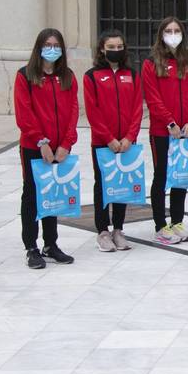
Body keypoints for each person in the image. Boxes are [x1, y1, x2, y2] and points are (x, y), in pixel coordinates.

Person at [14, 28, 79, 269]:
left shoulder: (68, 77)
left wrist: (66, 143)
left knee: (53, 195)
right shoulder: (25, 76)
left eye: (56, 45)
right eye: (47, 45)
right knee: (32, 195)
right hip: (34, 147)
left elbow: (73, 111)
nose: (52, 49)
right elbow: (24, 112)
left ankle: (50, 244)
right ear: (39, 47)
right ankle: (31, 246)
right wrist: (41, 141)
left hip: (61, 147)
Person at [142, 17, 188, 245]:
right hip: (162, 131)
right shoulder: (151, 63)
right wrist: (170, 123)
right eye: (169, 31)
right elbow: (153, 98)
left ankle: (177, 221)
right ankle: (161, 225)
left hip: (187, 131)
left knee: (181, 176)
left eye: (177, 30)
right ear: (161, 34)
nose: (173, 34)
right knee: (162, 177)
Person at [83, 30, 142, 253]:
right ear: (101, 49)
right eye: (111, 47)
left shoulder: (132, 75)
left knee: (122, 186)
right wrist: (108, 138)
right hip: (103, 142)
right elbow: (92, 111)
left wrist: (129, 137)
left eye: (119, 46)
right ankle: (103, 231)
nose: (115, 51)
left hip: (127, 141)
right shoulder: (91, 76)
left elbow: (137, 108)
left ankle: (118, 229)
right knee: (103, 186)